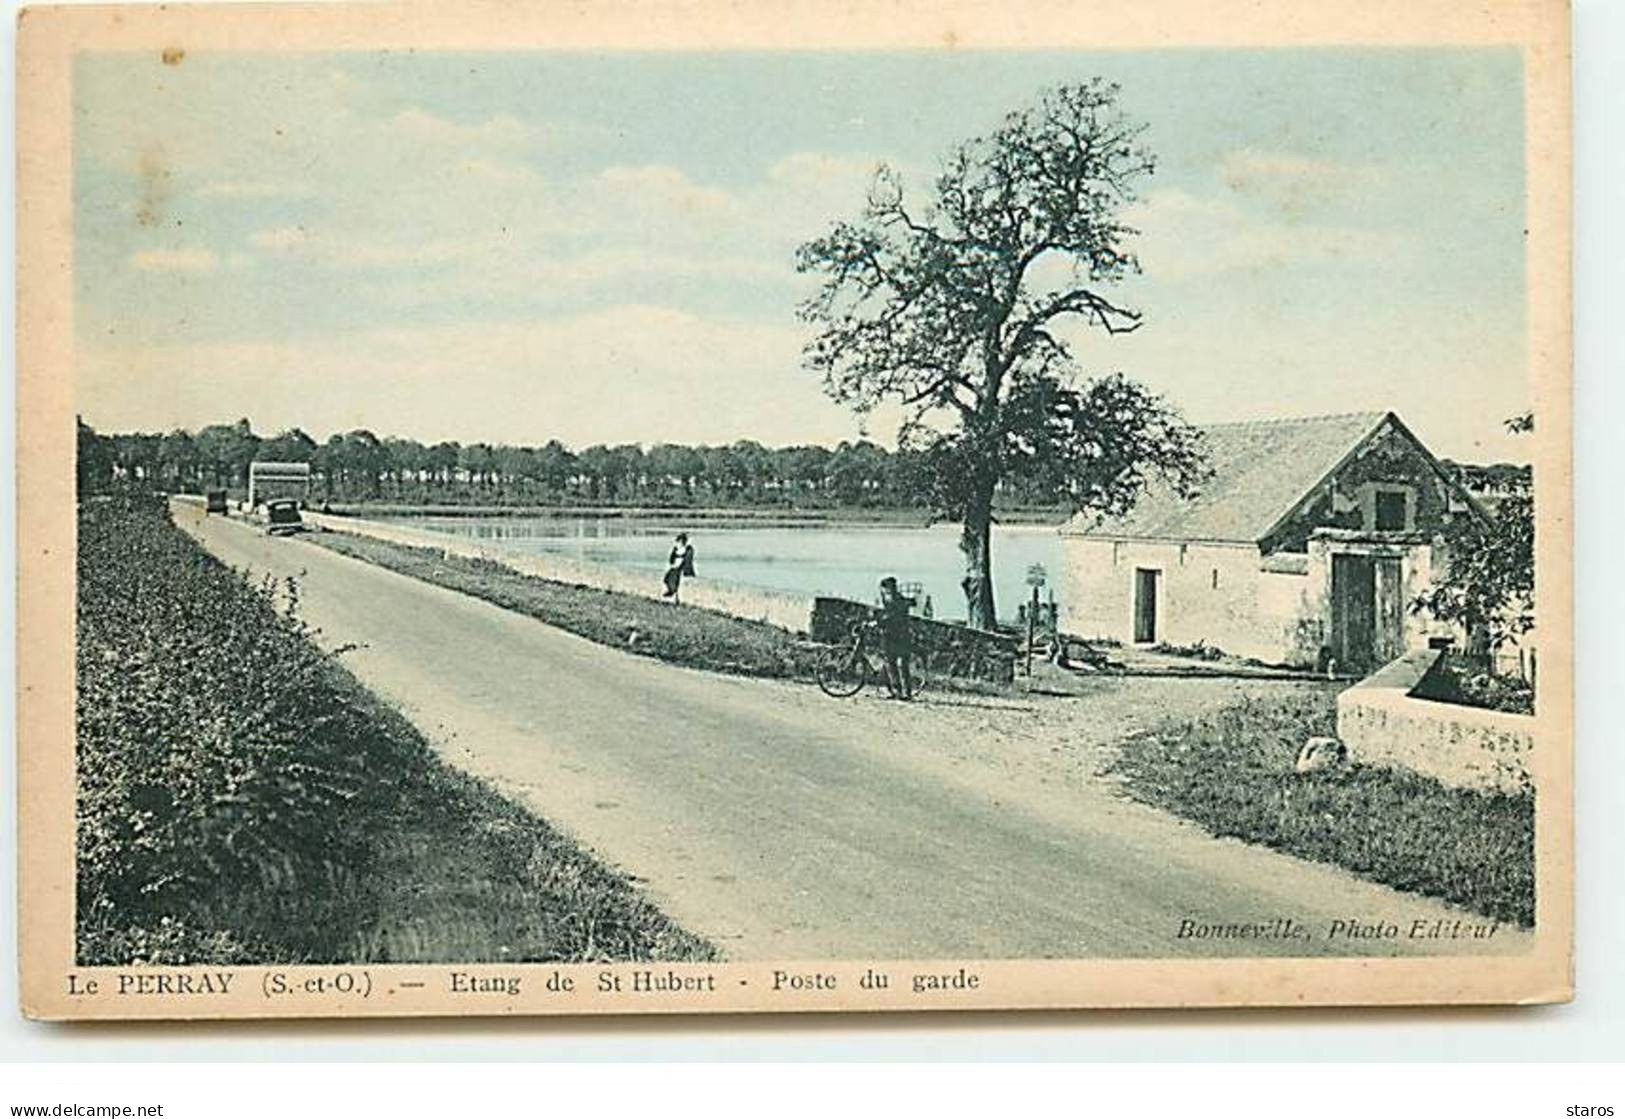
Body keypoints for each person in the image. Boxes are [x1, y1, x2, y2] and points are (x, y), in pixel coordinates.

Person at [876, 575, 916, 700]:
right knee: (898, 665)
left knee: (894, 664)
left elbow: (891, 617)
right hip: (900, 636)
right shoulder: (899, 599)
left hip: (895, 636)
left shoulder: (895, 601)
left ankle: (900, 691)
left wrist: (879, 622)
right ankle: (902, 692)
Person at [662, 532, 696, 601]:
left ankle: (674, 594)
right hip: (677, 566)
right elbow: (672, 559)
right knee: (669, 579)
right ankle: (674, 594)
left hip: (679, 567)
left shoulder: (686, 549)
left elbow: (683, 558)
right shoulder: (681, 548)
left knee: (672, 579)